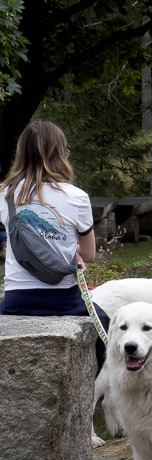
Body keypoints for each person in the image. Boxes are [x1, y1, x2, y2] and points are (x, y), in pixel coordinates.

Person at [0, 120, 110, 370]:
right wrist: (72, 254)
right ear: (60, 154)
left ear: (21, 154)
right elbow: (89, 255)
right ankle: (98, 390)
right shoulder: (76, 197)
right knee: (107, 328)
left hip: (17, 299)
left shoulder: (4, 195)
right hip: (64, 298)